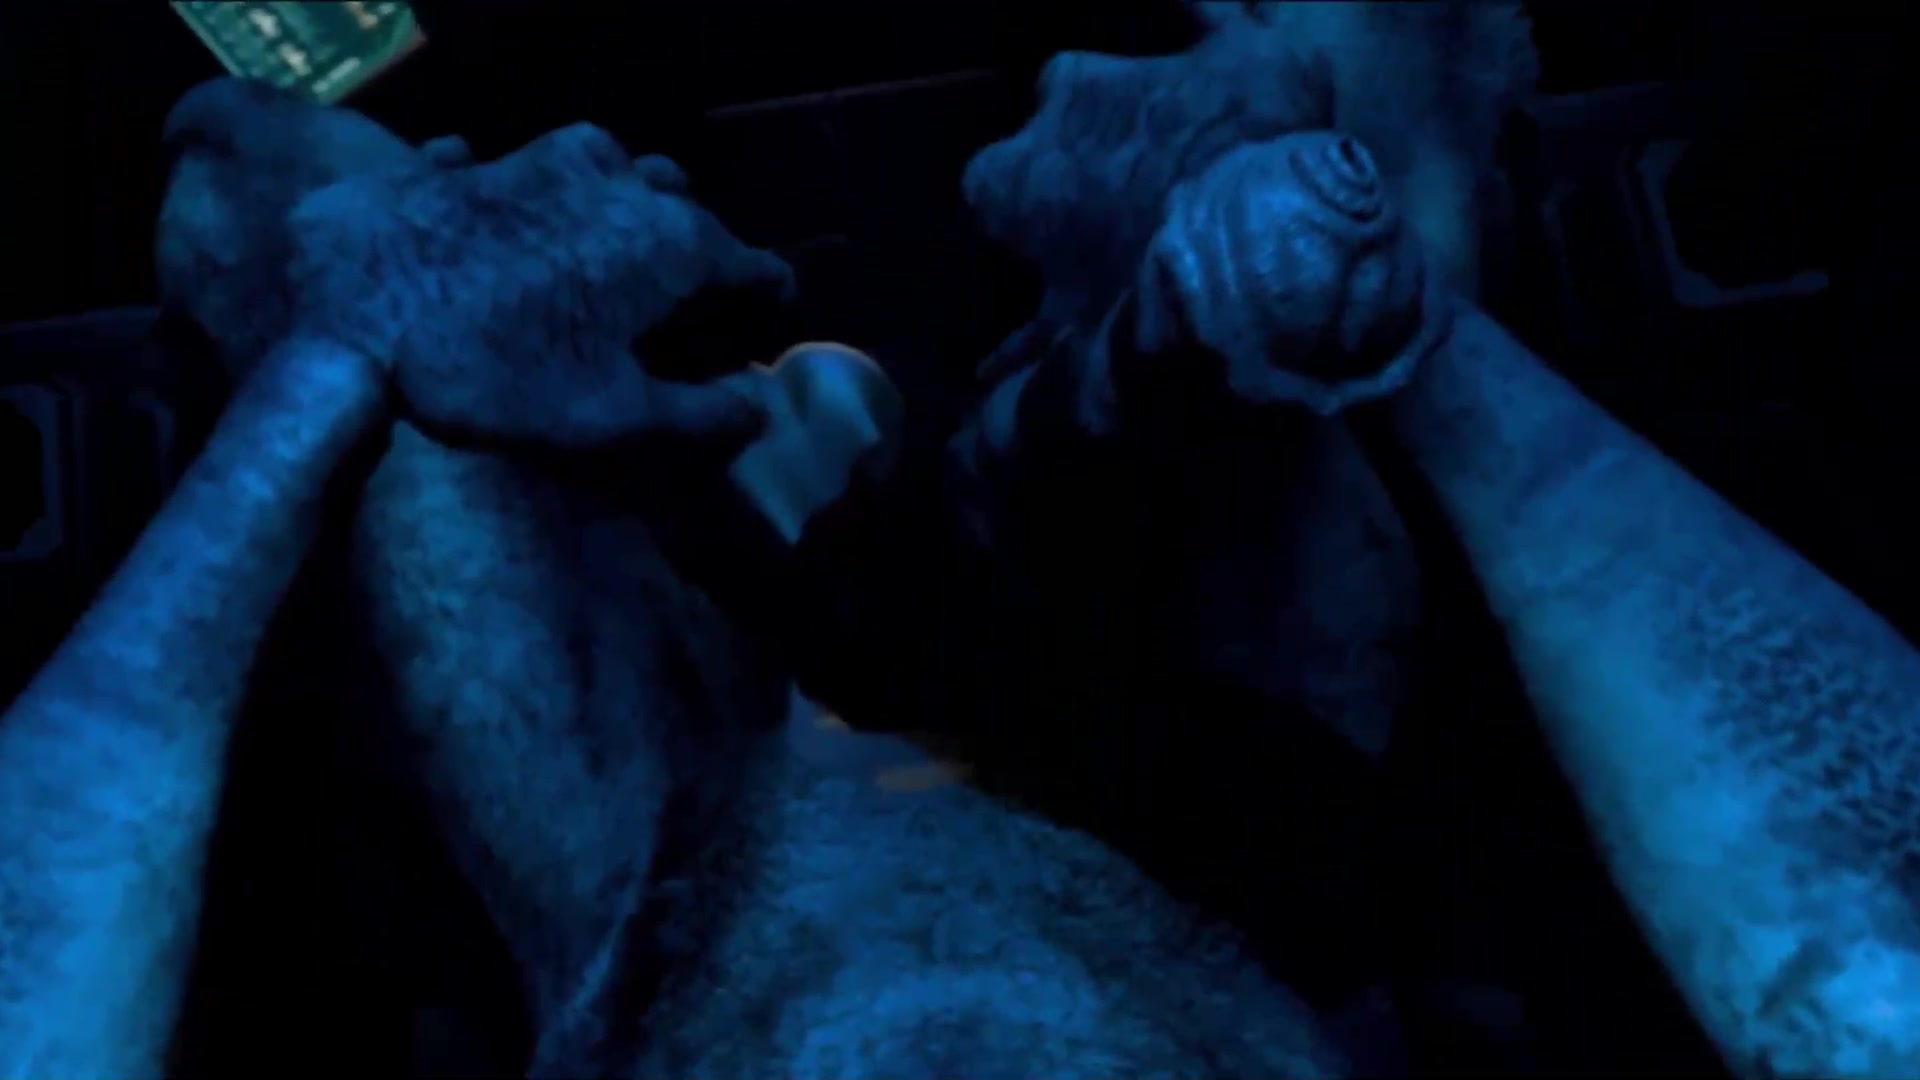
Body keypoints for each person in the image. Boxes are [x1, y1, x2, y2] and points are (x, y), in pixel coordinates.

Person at [1, 78, 1351, 1079]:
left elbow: (34, 993)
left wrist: (349, 349)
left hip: (666, 917)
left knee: (253, 181)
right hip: (1146, 847)